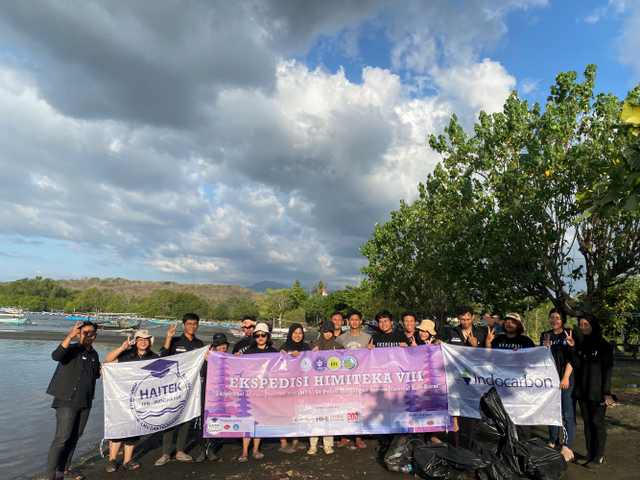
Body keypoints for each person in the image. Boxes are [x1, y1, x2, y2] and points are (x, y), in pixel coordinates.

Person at [45, 321, 100, 480]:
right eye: (85, 332)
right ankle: (49, 477)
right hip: (67, 401)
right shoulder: (71, 349)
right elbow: (56, 356)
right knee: (61, 439)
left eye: (91, 332)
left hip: (85, 402)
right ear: (78, 333)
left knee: (75, 437)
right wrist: (69, 335)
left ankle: (63, 472)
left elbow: (95, 374)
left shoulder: (94, 354)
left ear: (95, 335)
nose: (88, 334)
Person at [103, 330, 158, 472]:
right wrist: (122, 347)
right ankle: (112, 460)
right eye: (140, 339)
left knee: (133, 430)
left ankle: (127, 460)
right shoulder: (127, 355)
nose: (143, 341)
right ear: (135, 341)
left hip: (141, 400)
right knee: (118, 428)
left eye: (146, 339)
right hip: (121, 398)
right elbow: (108, 360)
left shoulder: (154, 357)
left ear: (150, 341)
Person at [565, 314, 614, 469]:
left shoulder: (603, 345)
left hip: (597, 391)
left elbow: (607, 370)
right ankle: (590, 453)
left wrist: (606, 392)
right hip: (583, 390)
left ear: (593, 325)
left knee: (597, 422)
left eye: (586, 324)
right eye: (581, 325)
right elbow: (578, 365)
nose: (583, 327)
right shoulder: (582, 344)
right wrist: (573, 347)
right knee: (587, 422)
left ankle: (599, 456)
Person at [155, 313, 204, 466]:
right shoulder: (176, 341)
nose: (192, 326)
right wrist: (169, 337)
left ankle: (180, 451)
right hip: (173, 386)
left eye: (195, 324)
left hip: (190, 386)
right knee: (169, 418)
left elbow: (202, 363)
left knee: (186, 419)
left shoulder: (200, 343)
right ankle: (166, 453)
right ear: (184, 325)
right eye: (189, 323)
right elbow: (163, 356)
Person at [486, 312, 535, 441]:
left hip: (519, 385)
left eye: (513, 322)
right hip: (500, 384)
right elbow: (488, 358)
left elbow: (533, 360)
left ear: (518, 325)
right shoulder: (498, 340)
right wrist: (488, 343)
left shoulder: (525, 341)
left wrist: (521, 355)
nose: (509, 324)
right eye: (507, 321)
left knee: (520, 414)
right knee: (501, 413)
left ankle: (522, 445)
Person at [448, 305, 486, 450]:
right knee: (456, 411)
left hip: (475, 377)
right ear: (458, 318)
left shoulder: (481, 333)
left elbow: (486, 357)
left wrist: (475, 346)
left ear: (473, 317)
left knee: (473, 411)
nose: (465, 322)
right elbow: (448, 352)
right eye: (462, 319)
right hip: (457, 376)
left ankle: (471, 443)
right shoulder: (452, 332)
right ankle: (457, 445)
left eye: (468, 319)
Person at [540, 308, 576, 462]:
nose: (554, 320)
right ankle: (553, 441)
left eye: (557, 318)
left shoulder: (569, 333)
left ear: (563, 320)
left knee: (567, 414)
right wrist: (544, 349)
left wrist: (566, 377)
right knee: (551, 412)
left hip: (567, 380)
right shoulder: (545, 335)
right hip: (550, 381)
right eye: (551, 317)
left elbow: (573, 357)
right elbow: (541, 357)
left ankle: (568, 447)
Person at [238, 323, 277, 462]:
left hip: (265, 392)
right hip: (249, 392)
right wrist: (237, 358)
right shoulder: (248, 352)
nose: (260, 337)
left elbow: (281, 369)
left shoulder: (274, 352)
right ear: (254, 337)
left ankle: (255, 449)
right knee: (247, 419)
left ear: (268, 336)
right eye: (257, 335)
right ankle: (244, 450)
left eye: (263, 334)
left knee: (259, 420)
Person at [335, 308, 371, 449]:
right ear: (348, 322)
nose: (354, 322)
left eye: (357, 319)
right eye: (352, 320)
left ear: (360, 321)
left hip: (361, 378)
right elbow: (332, 354)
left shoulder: (367, 337)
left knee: (359, 407)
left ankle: (358, 437)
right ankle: (344, 436)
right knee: (345, 406)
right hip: (345, 379)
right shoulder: (342, 338)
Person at [196, 333, 230, 463]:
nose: (222, 347)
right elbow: (201, 374)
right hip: (206, 393)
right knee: (202, 422)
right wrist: (206, 360)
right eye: (219, 344)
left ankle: (212, 449)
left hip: (221, 395)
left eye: (224, 344)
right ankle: (202, 449)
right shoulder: (208, 357)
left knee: (216, 421)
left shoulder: (229, 358)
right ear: (214, 346)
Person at [279, 323, 311, 453]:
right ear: (290, 334)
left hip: (300, 385)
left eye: (300, 333)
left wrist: (312, 353)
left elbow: (310, 361)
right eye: (295, 333)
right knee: (285, 413)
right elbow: (279, 365)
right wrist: (288, 355)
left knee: (297, 413)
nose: (297, 336)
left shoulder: (305, 346)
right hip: (286, 386)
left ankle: (296, 440)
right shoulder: (284, 347)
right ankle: (283, 442)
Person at [308, 321, 337, 455]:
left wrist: (338, 354)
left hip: (331, 387)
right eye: (326, 331)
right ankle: (313, 445)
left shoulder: (337, 346)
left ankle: (328, 445)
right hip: (316, 388)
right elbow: (306, 363)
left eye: (330, 331)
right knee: (315, 416)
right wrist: (312, 353)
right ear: (322, 332)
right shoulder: (315, 345)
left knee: (329, 416)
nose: (328, 334)